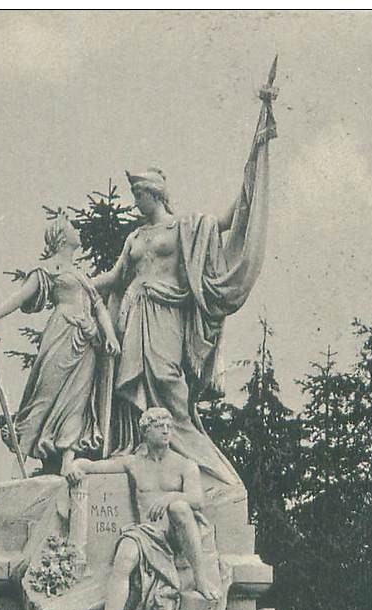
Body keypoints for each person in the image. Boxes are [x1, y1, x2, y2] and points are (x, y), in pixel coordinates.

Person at [90, 79, 278, 489]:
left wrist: (255, 159)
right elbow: (116, 277)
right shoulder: (134, 238)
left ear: (152, 195)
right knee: (135, 396)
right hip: (134, 317)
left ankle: (215, 474)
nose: (134, 201)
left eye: (137, 194)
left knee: (172, 394)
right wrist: (78, 286)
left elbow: (230, 219)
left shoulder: (184, 229)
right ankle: (140, 456)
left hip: (166, 317)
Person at [66, 407, 219, 610]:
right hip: (145, 533)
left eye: (169, 426)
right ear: (145, 432)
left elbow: (196, 500)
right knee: (124, 557)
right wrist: (75, 464)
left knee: (180, 508)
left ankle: (200, 578)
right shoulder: (133, 462)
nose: (166, 431)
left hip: (175, 533)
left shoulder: (185, 465)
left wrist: (170, 497)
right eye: (159, 426)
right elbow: (93, 466)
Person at [0, 210, 119, 476]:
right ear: (62, 236)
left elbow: (99, 307)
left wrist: (109, 336)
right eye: (73, 227)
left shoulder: (80, 274)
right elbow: (20, 297)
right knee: (46, 393)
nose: (79, 231)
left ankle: (67, 457)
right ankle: (29, 448)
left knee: (78, 399)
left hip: (87, 341)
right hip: (62, 334)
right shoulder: (50, 269)